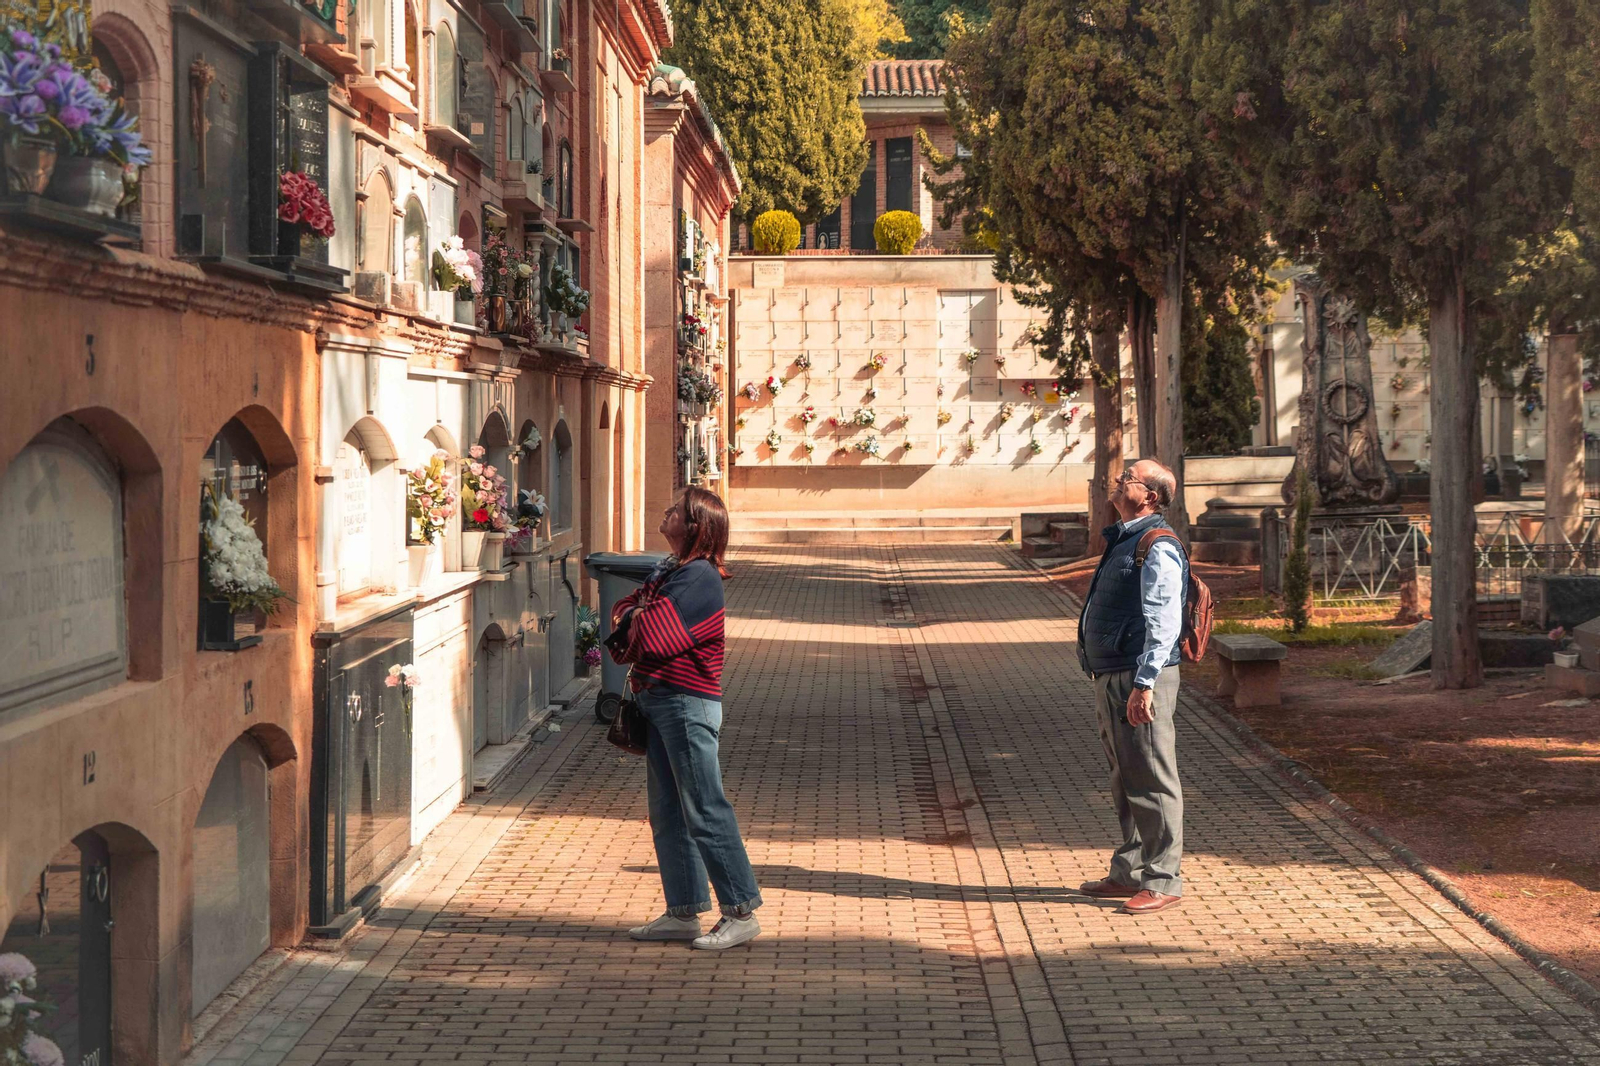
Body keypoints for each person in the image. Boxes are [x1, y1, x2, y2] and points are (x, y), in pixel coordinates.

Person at [608, 487, 763, 949]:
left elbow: (653, 635)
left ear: (695, 525)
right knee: (668, 812)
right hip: (659, 700)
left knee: (704, 808)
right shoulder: (669, 570)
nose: (667, 510)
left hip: (686, 703)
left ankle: (739, 910)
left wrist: (637, 615)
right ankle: (683, 911)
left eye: (676, 509)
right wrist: (636, 614)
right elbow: (622, 613)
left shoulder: (699, 577)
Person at [1075, 459, 1188, 915]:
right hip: (1113, 673)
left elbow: (1164, 621)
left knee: (1154, 779)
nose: (1120, 480)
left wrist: (1145, 683)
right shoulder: (1125, 537)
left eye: (1130, 477)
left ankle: (1163, 880)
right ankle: (1130, 871)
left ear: (1151, 497)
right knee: (1127, 777)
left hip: (1140, 677)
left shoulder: (1155, 544)